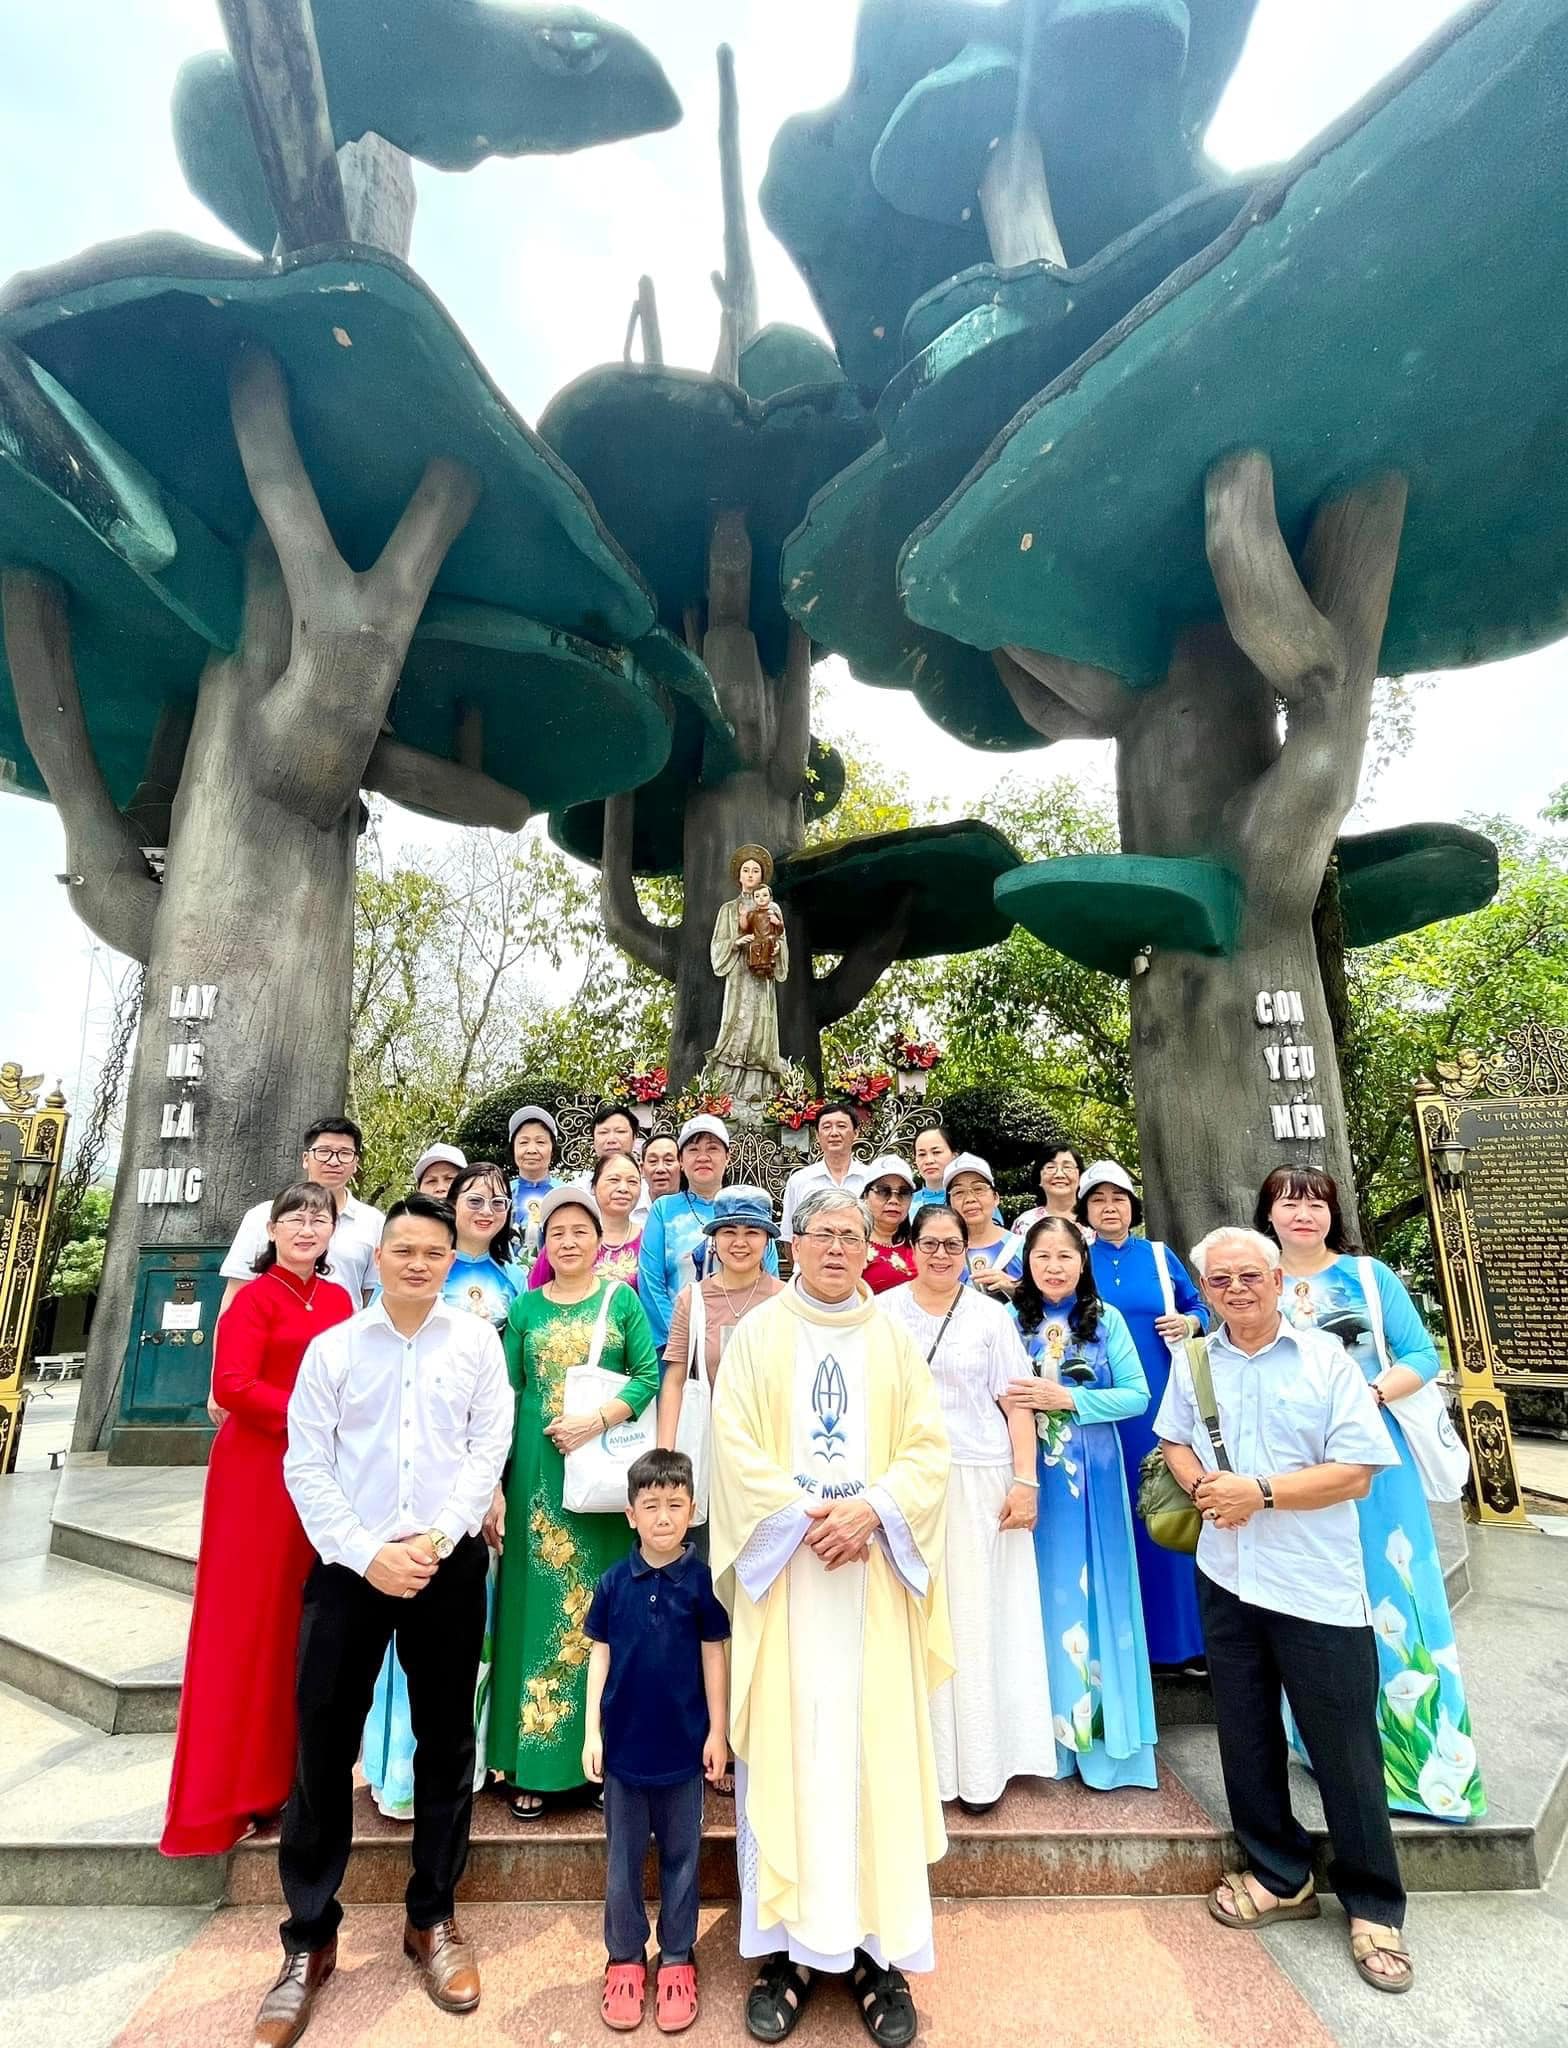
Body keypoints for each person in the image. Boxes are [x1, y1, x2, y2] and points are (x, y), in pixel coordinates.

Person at [252, 1195, 512, 2045]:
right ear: (378, 1256)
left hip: (444, 1562)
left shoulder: (475, 1342)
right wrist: (368, 1554)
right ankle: (308, 1937)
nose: (417, 1262)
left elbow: (488, 1447)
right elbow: (307, 1462)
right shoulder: (334, 1348)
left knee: (447, 1741)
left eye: (433, 1252)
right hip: (348, 1565)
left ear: (450, 1260)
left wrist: (435, 1541)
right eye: (403, 1249)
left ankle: (431, 1916)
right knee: (322, 1744)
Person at [709, 1187, 953, 2047]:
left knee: (871, 1757)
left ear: (868, 1247)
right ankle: (789, 1954)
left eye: (853, 1234)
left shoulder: (894, 1338)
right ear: (796, 1243)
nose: (840, 1248)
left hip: (872, 1579)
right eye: (824, 1234)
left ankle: (880, 1954)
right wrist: (805, 1519)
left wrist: (874, 1512)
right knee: (793, 1755)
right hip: (789, 1582)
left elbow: (929, 1450)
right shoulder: (757, 1336)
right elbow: (730, 1444)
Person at [1155, 1227, 1412, 1994]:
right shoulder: (1195, 1360)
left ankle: (1374, 1904)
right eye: (1220, 1280)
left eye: (1249, 1276)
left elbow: (1357, 1472)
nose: (1236, 1289)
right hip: (1227, 1574)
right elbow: (1175, 1441)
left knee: (1344, 1744)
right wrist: (1203, 1486)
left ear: (1275, 1280)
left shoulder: (1325, 1360)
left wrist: (1260, 1493)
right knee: (1245, 1731)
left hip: (1313, 1582)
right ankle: (1279, 1873)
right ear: (1206, 1292)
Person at [1256, 1167, 1483, 1821]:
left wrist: (1370, 1393)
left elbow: (1422, 1355)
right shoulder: (1259, 1279)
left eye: (1315, 1203)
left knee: (1396, 1591)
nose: (1302, 1213)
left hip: (1376, 1460)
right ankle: (1321, 1745)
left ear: (1334, 1213)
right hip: (1295, 1462)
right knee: (1309, 1599)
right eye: (1288, 1202)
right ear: (1267, 1213)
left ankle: (1425, 1765)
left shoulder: (1369, 1277)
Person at [162, 1185, 355, 1859]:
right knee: (246, 1623)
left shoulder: (338, 1300)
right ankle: (228, 1790)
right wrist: (312, 1416)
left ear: (332, 1232)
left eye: (319, 1218)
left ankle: (283, 1777)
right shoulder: (254, 1299)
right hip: (257, 1474)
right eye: (294, 1217)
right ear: (271, 1229)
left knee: (298, 1624)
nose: (307, 1227)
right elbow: (234, 1386)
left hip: (320, 1473)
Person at [489, 1188, 663, 1819]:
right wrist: (494, 1485)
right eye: (556, 1232)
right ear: (544, 1245)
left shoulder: (622, 1300)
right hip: (536, 1481)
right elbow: (503, 1396)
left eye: (579, 1231)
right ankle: (531, 1762)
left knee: (602, 1617)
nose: (568, 1241)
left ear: (598, 1241)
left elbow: (648, 1377)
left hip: (602, 1486)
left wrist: (595, 1420)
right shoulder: (525, 1308)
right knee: (534, 1614)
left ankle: (601, 1761)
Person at [362, 1161, 523, 1822]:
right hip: (411, 1475)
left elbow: (506, 1397)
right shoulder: (417, 1279)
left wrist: (493, 1484)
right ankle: (397, 1770)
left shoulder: (515, 1281)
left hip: (483, 1467)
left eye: (498, 1200)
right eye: (473, 1198)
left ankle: (464, 1764)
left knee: (467, 1633)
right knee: (403, 1627)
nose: (486, 1208)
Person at [883, 1204, 1055, 1811]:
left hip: (980, 1478)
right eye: (929, 1244)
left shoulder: (990, 1317)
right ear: (911, 1247)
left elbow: (1017, 1404)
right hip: (907, 1482)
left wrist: (1026, 1482)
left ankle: (981, 1768)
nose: (940, 1255)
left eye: (951, 1245)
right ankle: (923, 1768)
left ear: (967, 1251)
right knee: (915, 1615)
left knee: (978, 1617)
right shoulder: (883, 1313)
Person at [1007, 1217, 1158, 1790]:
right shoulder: (1006, 1319)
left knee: (1097, 1590)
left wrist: (1067, 1398)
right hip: (1026, 1478)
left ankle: (1101, 1742)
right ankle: (1036, 1740)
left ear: (1082, 1262)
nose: (1053, 1267)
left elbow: (1137, 1395)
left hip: (1093, 1477)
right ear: (1027, 1263)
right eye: (1042, 1256)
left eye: (1065, 1256)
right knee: (1035, 1592)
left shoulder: (1105, 1319)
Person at [585, 1448, 731, 2035]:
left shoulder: (701, 1583)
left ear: (692, 1510)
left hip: (683, 1756)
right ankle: (623, 1958)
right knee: (621, 1863)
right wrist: (592, 1732)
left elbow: (714, 1656)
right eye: (651, 1506)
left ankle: (676, 1957)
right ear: (630, 1514)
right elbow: (599, 1657)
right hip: (624, 1756)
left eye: (675, 1504)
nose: (664, 1517)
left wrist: (718, 1731)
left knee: (682, 1860)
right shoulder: (612, 1583)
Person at [1076, 1160, 1208, 1673]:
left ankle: (1183, 1644)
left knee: (1168, 1504)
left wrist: (1189, 1322)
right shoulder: (1076, 1259)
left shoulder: (1158, 1255)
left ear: (1133, 1206)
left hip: (1160, 1399)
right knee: (1116, 1517)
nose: (1109, 1208)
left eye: (1119, 1198)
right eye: (1098, 1199)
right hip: (1101, 1406)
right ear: (1085, 1210)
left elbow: (1200, 1306)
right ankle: (1125, 1646)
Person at [212, 1119, 382, 1427]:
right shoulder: (261, 1216)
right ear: (306, 1158)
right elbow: (232, 1300)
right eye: (324, 1151)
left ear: (356, 1162)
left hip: (338, 1378)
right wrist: (216, 1382)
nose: (334, 1161)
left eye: (345, 1153)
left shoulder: (374, 1222)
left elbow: (369, 1298)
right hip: (267, 1373)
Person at [639, 1116, 779, 1351]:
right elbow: (651, 1282)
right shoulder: (663, 1210)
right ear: (681, 1160)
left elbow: (769, 1277)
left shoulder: (750, 1207)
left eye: (712, 1149)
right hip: (677, 1344)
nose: (703, 1157)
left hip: (746, 1341)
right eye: (693, 1150)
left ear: (728, 1156)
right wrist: (682, 1337)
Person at [709, 845, 790, 1108]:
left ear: (762, 876)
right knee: (737, 1022)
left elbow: (781, 939)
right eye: (746, 870)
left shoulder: (772, 908)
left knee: (761, 1025)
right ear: (739, 876)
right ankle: (726, 1088)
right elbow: (718, 944)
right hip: (739, 975)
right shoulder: (728, 910)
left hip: (762, 976)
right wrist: (736, 942)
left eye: (756, 870)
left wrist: (776, 949)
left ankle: (758, 1088)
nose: (751, 874)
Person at [533, 1151, 646, 1292]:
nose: (623, 1189)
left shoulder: (648, 1241)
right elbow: (536, 1290)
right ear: (593, 1187)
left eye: (632, 1182)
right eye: (614, 1180)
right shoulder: (565, 1239)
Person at [779, 1102, 872, 1241]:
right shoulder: (799, 1180)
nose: (834, 1133)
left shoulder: (871, 1178)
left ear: (856, 1133)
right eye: (826, 1127)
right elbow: (789, 1237)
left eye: (841, 1126)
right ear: (817, 1135)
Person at [942, 1154, 1022, 1299]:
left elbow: (1048, 1300)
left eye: (978, 1189)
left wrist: (1015, 1289)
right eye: (959, 1192)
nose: (970, 1199)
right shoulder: (942, 1251)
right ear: (949, 1205)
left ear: (996, 1198)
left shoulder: (1023, 1247)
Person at [569, 1103, 652, 1231]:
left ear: (634, 1138)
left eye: (620, 1132)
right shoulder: (577, 1191)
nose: (611, 1139)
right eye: (603, 1132)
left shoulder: (650, 1191)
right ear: (593, 1139)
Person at [508, 1104, 560, 1258]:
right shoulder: (501, 1193)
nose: (531, 1150)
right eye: (523, 1142)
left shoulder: (565, 1193)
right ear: (513, 1149)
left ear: (552, 1148)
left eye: (540, 1142)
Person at [861, 1155, 919, 1294]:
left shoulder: (921, 1245)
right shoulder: (853, 1245)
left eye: (903, 1193)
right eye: (883, 1191)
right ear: (865, 1196)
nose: (894, 1200)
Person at [1011, 1145, 1084, 1235]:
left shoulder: (1093, 1218)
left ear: (1080, 1176)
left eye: (1067, 1167)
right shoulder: (1025, 1222)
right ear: (1039, 1178)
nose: (1059, 1175)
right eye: (1050, 1167)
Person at [910, 1125, 957, 1216]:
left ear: (954, 1156)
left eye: (936, 1152)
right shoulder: (906, 1205)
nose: (929, 1161)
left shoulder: (966, 1201)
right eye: (922, 1154)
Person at [643, 1131, 681, 1202]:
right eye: (653, 1161)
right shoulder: (630, 1205)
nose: (660, 1169)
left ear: (682, 1165)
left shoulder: (696, 1205)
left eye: (668, 1160)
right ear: (642, 1168)